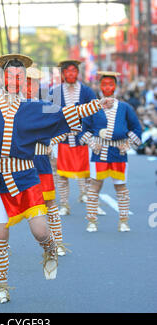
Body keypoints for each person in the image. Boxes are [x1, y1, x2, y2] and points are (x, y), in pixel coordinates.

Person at [0, 53, 113, 304]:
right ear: (2, 78)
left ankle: (49, 248)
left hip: (25, 175)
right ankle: (1, 286)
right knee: (0, 235)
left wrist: (97, 105)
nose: (15, 79)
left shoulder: (32, 108)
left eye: (20, 76)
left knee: (39, 230)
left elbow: (63, 115)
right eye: (10, 75)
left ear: (24, 80)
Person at [79, 71, 142, 232]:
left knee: (121, 187)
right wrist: (92, 142)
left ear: (116, 87)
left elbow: (136, 128)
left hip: (118, 153)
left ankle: (123, 221)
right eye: (104, 84)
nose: (107, 87)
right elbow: (83, 129)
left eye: (111, 84)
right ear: (99, 87)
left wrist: (128, 144)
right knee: (94, 186)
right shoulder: (93, 107)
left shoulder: (125, 107)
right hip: (99, 152)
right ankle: (91, 220)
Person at [24, 66, 69, 257]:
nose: (29, 87)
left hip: (40, 162)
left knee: (49, 203)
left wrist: (52, 141)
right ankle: (2, 244)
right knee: (8, 205)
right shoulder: (9, 106)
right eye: (25, 82)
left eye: (32, 83)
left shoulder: (46, 106)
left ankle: (57, 241)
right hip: (17, 164)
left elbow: (65, 127)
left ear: (37, 86)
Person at [50, 60, 103, 216]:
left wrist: (92, 134)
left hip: (82, 137)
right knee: (61, 173)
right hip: (62, 138)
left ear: (78, 73)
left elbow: (95, 113)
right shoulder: (55, 91)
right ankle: (65, 204)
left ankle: (88, 197)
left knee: (87, 172)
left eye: (74, 70)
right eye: (68, 71)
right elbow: (49, 114)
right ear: (63, 74)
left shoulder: (86, 91)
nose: (71, 73)